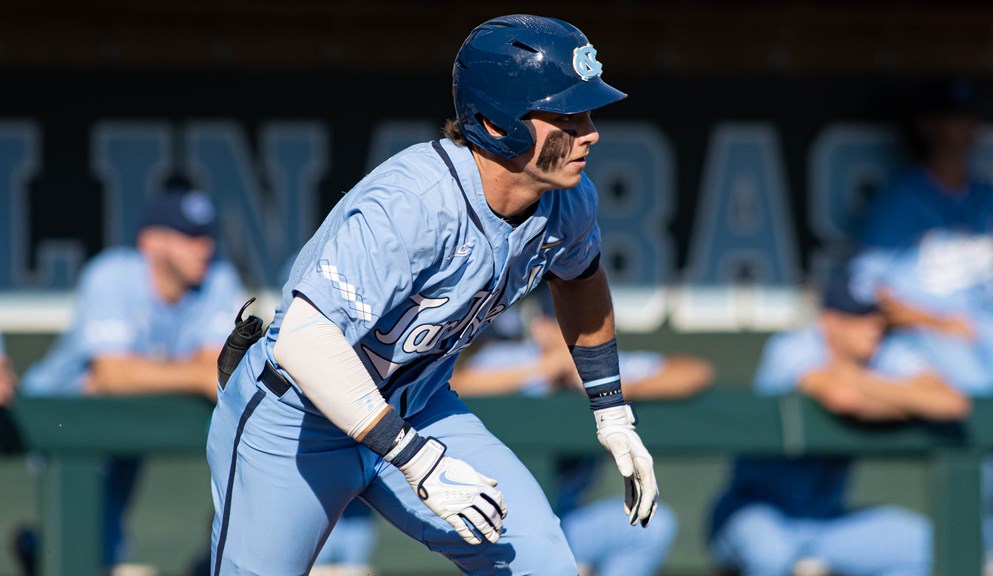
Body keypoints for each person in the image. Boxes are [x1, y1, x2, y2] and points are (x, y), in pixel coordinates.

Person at [207, 14, 659, 576]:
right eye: (566, 116)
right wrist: (414, 457)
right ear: (497, 123)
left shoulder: (568, 199)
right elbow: (302, 341)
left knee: (544, 564)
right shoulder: (414, 203)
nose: (589, 131)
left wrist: (613, 413)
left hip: (418, 405)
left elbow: (581, 279)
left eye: (588, 112)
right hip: (295, 417)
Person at [19, 182, 244, 571]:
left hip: (127, 424)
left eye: (206, 237)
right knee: (85, 551)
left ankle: (41, 553)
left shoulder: (218, 279)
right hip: (59, 417)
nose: (202, 248)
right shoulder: (113, 274)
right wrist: (192, 373)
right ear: (151, 242)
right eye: (188, 237)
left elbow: (219, 367)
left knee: (103, 552)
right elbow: (113, 374)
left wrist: (145, 374)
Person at [853, 79, 993, 574]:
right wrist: (941, 320)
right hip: (929, 337)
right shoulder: (899, 202)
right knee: (979, 400)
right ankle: (983, 548)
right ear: (927, 128)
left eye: (968, 120)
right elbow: (870, 293)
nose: (960, 132)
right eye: (949, 120)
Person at [707, 269, 969, 576]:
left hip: (825, 521)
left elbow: (951, 403)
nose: (874, 328)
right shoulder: (793, 346)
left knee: (924, 544)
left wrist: (858, 379)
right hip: (756, 510)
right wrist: (906, 397)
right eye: (860, 318)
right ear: (829, 322)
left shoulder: (886, 353)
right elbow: (843, 398)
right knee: (772, 555)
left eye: (878, 317)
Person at [449, 290, 711, 576]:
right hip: (498, 520)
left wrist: (609, 389)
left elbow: (695, 371)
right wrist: (545, 369)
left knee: (652, 528)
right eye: (560, 322)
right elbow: (458, 382)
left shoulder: (600, 365)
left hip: (566, 518)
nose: (578, 330)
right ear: (540, 326)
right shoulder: (515, 357)